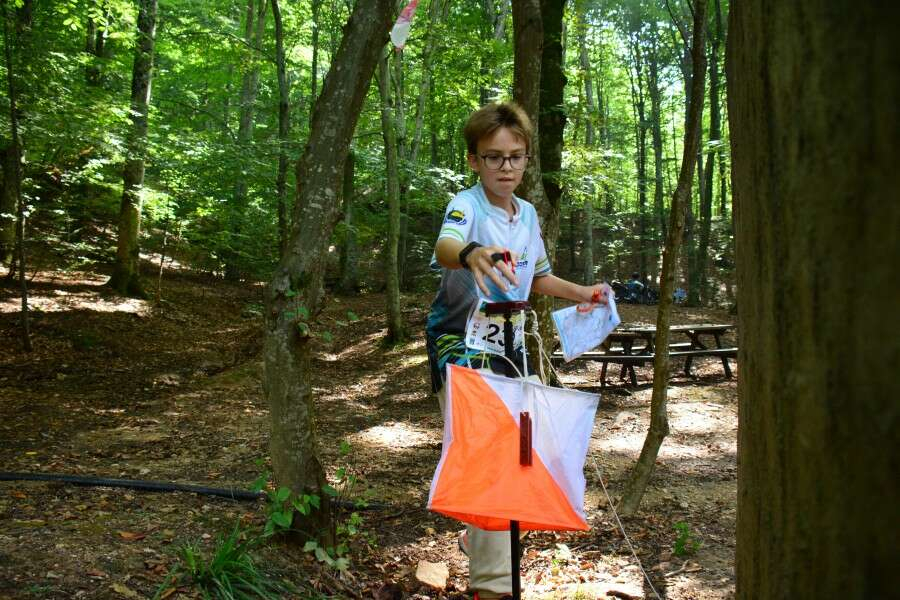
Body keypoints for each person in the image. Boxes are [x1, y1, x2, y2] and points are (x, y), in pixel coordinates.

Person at [425, 102, 611, 600]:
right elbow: (446, 246)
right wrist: (472, 253)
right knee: (492, 458)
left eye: (515, 156)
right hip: (461, 346)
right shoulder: (466, 205)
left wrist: (584, 293)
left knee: (529, 451)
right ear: (474, 160)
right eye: (493, 157)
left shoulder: (526, 213)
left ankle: (481, 539)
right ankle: (493, 586)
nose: (505, 167)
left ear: (527, 158)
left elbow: (538, 276)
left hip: (512, 346)